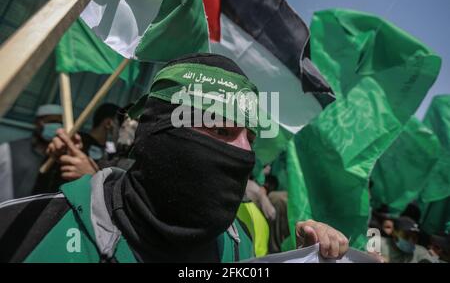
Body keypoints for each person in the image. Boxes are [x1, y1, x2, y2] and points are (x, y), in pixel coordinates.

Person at [0, 53, 349, 263]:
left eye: (250, 137)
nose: (245, 151)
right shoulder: (23, 231)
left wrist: (302, 259)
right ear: (160, 134)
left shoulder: (237, 248)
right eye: (223, 131)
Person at [0, 104, 62, 203]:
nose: (57, 127)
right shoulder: (8, 150)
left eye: (60, 123)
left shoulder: (61, 159)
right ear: (37, 122)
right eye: (52, 122)